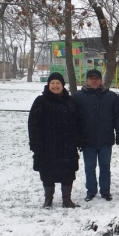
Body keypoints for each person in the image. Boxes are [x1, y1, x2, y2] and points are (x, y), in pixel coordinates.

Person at [28, 72, 83, 208]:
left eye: (58, 83)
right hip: (47, 145)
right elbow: (33, 124)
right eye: (52, 83)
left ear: (63, 85)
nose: (55, 86)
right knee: (47, 172)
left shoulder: (71, 101)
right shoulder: (40, 101)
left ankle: (67, 200)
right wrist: (35, 143)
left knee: (68, 172)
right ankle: (48, 199)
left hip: (67, 144)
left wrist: (79, 139)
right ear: (48, 85)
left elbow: (79, 121)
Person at [73, 69, 119, 202]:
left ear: (101, 80)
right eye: (91, 78)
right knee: (89, 167)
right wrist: (77, 136)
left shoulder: (111, 96)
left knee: (105, 166)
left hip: (105, 138)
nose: (94, 81)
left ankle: (105, 190)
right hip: (87, 139)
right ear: (87, 80)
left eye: (96, 78)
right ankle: (91, 190)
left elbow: (117, 116)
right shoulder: (78, 97)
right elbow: (74, 118)